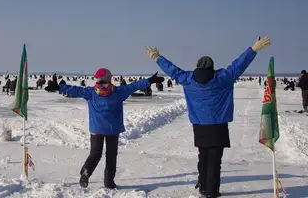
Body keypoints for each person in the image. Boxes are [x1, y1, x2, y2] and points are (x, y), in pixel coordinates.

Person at [145, 37, 271, 198]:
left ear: (197, 66)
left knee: (203, 156)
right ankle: (211, 192)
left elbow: (173, 71)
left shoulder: (188, 79)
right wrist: (253, 49)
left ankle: (203, 186)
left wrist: (157, 58)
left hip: (200, 125)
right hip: (218, 125)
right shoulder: (222, 77)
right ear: (212, 67)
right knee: (214, 161)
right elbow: (238, 65)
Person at [44, 68, 164, 189]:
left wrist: (59, 87)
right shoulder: (118, 92)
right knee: (111, 155)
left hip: (97, 129)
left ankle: (86, 171)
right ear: (108, 78)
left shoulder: (91, 92)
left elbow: (76, 90)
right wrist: (149, 80)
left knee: (95, 153)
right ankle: (109, 182)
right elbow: (134, 86)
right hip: (113, 129)